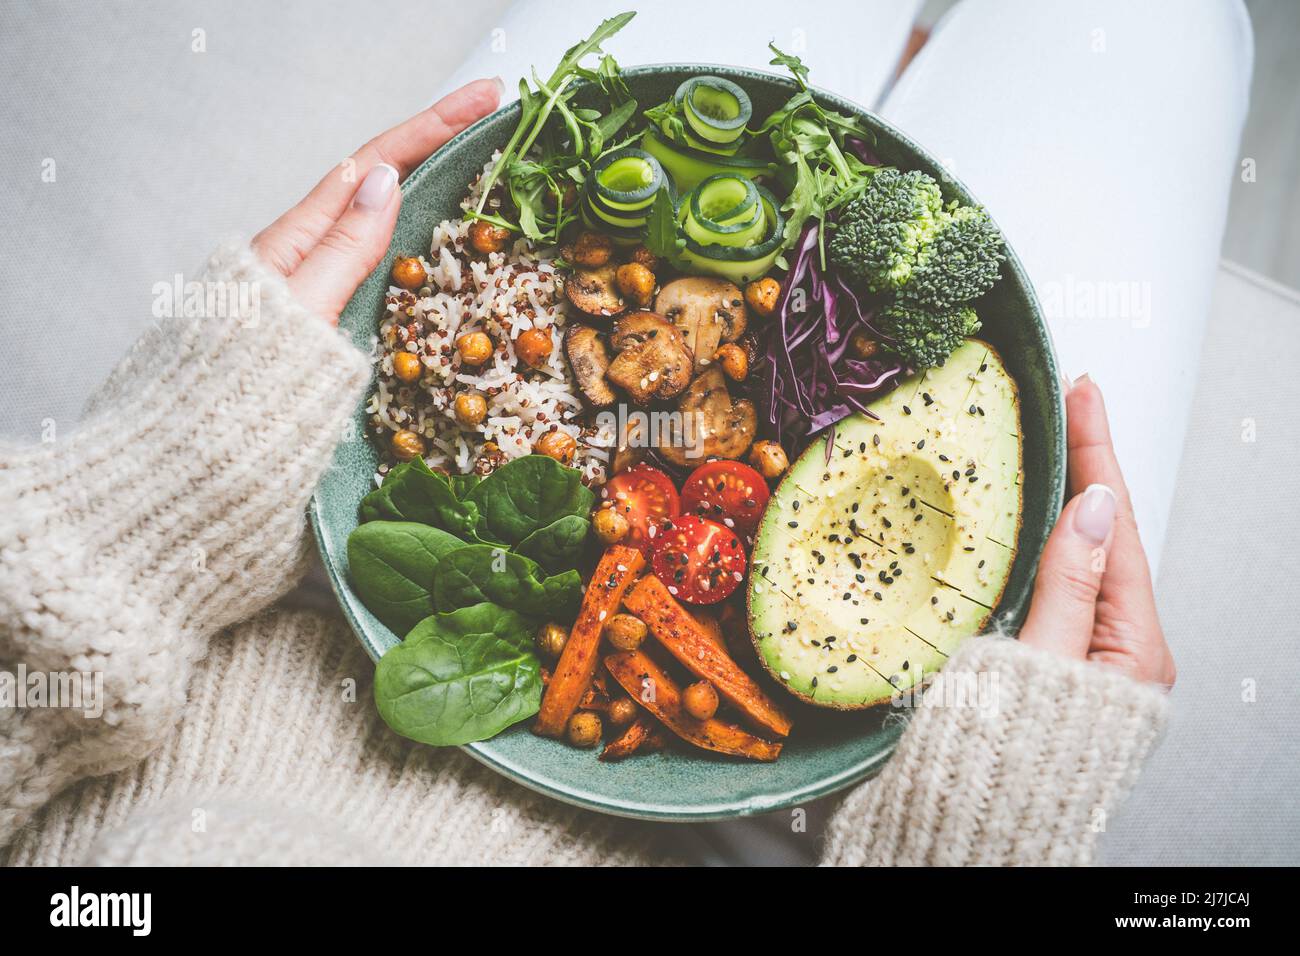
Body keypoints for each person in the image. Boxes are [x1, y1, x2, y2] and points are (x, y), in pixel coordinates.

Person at [0, 0, 1248, 865]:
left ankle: (906, 55)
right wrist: (971, 837)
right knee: (1164, 26)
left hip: (247, 606)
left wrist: (124, 530)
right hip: (761, 819)